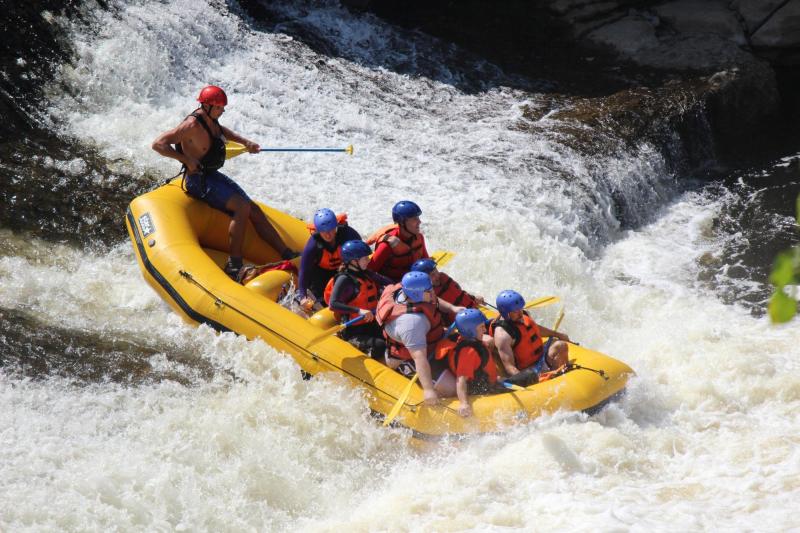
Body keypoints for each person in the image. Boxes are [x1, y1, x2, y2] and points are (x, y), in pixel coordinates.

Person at [151, 85, 297, 280]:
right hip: (197, 181)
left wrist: (246, 142)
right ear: (208, 106)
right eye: (219, 107)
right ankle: (234, 264)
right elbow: (158, 144)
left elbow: (221, 131)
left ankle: (286, 253)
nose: (222, 111)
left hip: (211, 175)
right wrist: (186, 159)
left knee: (253, 210)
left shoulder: (212, 119)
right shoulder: (191, 125)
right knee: (241, 207)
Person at [376, 271, 464, 405]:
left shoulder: (405, 289)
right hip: (406, 358)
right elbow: (419, 358)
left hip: (426, 341)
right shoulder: (411, 323)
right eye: (429, 290)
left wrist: (453, 308)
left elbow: (432, 299)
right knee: (451, 387)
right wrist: (428, 390)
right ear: (417, 294)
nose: (433, 291)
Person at [323, 240, 391, 360]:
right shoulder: (344, 279)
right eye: (365, 258)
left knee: (392, 337)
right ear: (353, 261)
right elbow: (333, 304)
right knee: (380, 345)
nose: (368, 260)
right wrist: (359, 311)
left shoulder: (366, 273)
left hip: (370, 324)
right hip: (353, 331)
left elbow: (388, 282)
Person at [489, 290, 570, 386]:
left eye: (520, 308)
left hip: (539, 358)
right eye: (515, 311)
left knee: (561, 345)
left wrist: (558, 334)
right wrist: (526, 379)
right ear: (506, 313)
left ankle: (558, 376)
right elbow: (509, 367)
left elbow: (533, 328)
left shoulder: (523, 315)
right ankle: (551, 383)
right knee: (530, 375)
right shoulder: (502, 335)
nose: (520, 313)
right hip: (526, 370)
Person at [437, 308, 499, 417]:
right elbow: (461, 381)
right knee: (528, 376)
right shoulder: (468, 352)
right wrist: (464, 403)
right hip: (483, 390)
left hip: (491, 382)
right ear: (470, 331)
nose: (485, 330)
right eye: (481, 327)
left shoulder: (472, 340)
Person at [298, 208, 361, 311]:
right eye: (324, 232)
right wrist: (302, 296)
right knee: (321, 301)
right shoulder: (313, 245)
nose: (328, 235)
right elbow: (304, 271)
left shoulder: (348, 234)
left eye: (331, 230)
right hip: (320, 274)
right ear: (318, 231)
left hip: (344, 269)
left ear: (336, 227)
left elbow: (362, 256)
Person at [367, 200, 429, 282]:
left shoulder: (419, 237)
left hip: (411, 280)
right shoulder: (386, 245)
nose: (419, 222)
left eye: (418, 218)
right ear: (402, 223)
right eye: (414, 219)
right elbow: (369, 272)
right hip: (391, 285)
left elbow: (426, 261)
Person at [410, 258, 485, 321]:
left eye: (436, 271)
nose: (437, 275)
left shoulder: (443, 277)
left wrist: (474, 298)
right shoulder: (426, 295)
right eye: (432, 275)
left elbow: (459, 291)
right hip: (459, 320)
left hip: (472, 307)